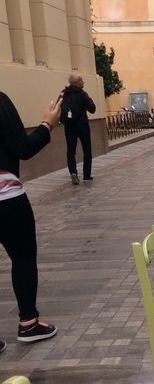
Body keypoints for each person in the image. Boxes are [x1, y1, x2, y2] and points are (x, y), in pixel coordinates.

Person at [0, 91, 61, 349]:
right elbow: (23, 149)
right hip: (6, 197)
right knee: (23, 257)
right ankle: (29, 323)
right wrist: (48, 124)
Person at [61, 73, 96, 184]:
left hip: (69, 127)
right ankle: (86, 175)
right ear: (77, 83)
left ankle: (73, 172)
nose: (83, 82)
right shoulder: (82, 94)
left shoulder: (64, 94)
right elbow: (92, 109)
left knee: (71, 151)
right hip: (82, 127)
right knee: (87, 150)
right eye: (82, 80)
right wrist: (89, 99)